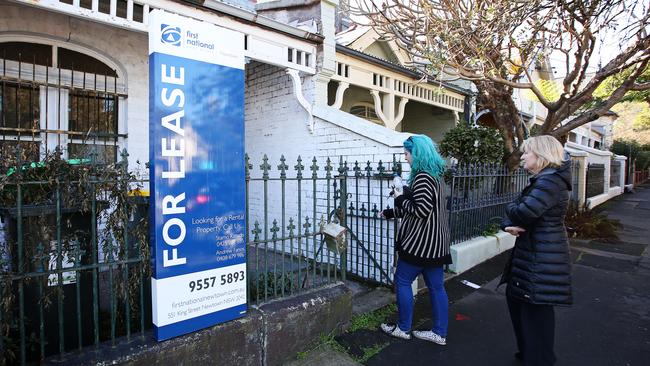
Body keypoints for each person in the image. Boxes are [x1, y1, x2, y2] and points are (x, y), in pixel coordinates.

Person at [500, 135, 573, 366]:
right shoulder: (543, 180)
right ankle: (530, 355)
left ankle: (538, 359)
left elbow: (522, 213)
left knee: (535, 316)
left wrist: (510, 205)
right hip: (533, 255)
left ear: (541, 156)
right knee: (520, 305)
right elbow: (516, 216)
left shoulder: (549, 182)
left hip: (540, 259)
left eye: (526, 152)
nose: (522, 157)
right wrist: (509, 220)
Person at [380, 134, 451, 345]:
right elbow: (424, 208)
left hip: (419, 245)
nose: (405, 157)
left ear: (416, 154)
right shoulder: (435, 176)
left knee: (402, 282)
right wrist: (392, 212)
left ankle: (402, 328)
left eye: (407, 153)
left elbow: (419, 210)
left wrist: (399, 197)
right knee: (437, 288)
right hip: (436, 245)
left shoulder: (422, 177)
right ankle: (439, 333)